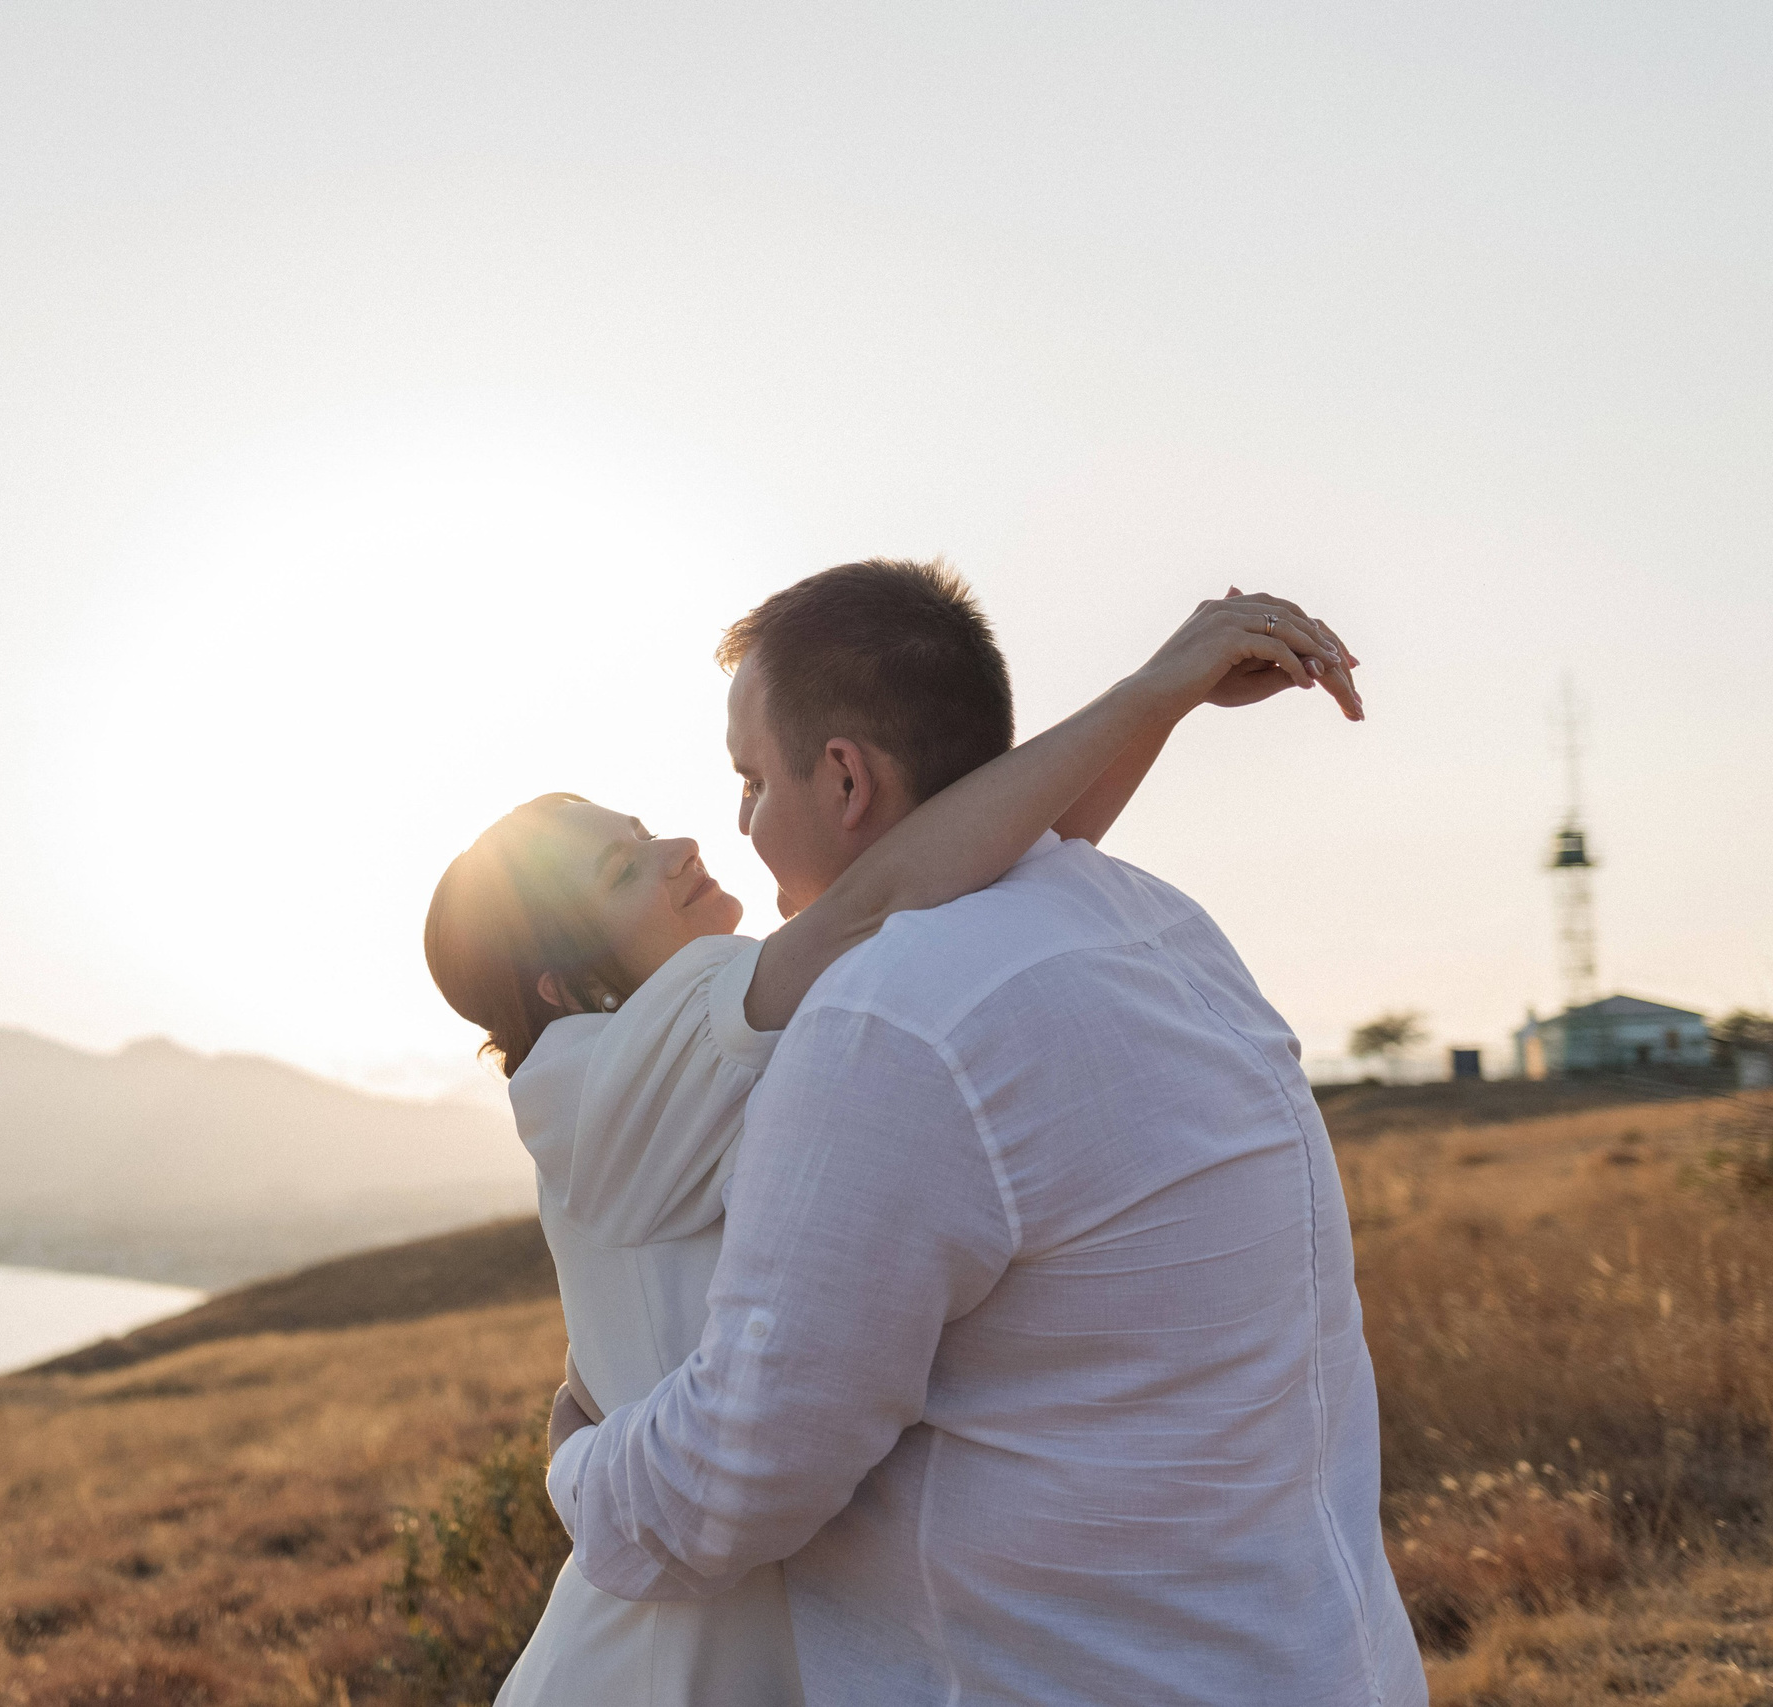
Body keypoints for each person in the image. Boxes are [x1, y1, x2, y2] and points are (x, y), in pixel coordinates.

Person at [425, 566, 1365, 1706]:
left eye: (748, 780)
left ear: (842, 778)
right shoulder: (603, 1067)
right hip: (684, 1646)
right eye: (628, 866)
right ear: (563, 979)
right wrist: (1153, 694)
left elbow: (951, 874)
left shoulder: (865, 1007)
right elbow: (911, 891)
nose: (700, 836)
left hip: (739, 1593)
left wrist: (578, 1460)